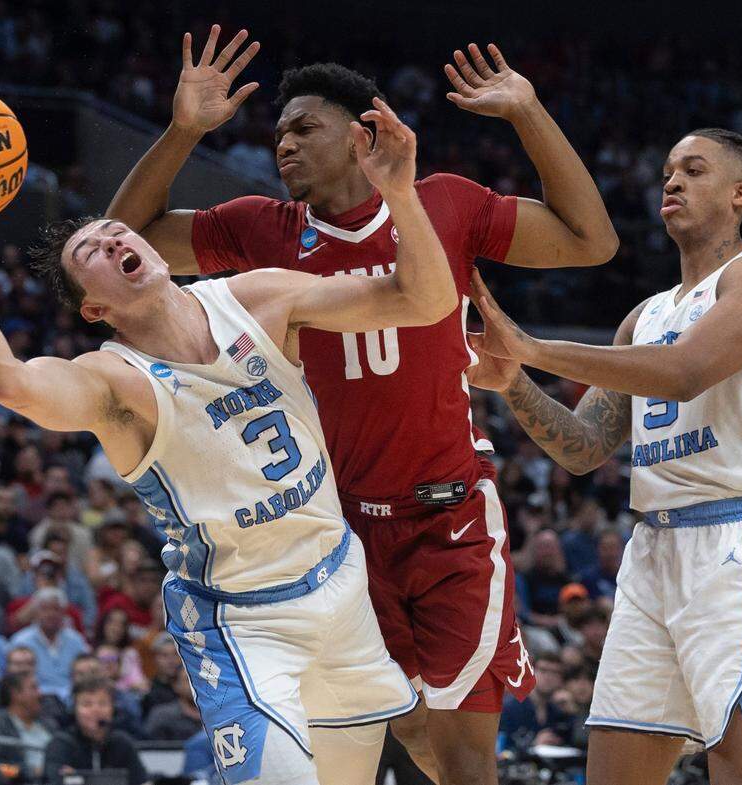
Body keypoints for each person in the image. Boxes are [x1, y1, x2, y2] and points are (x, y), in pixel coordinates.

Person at [107, 28, 618, 783]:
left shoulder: (445, 204)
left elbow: (591, 240)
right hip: (336, 530)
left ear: (364, 134)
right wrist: (184, 131)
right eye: (277, 133)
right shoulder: (261, 229)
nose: (284, 145)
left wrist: (527, 112)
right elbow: (125, 244)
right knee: (399, 729)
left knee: (468, 758)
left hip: (449, 518)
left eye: (304, 129)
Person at [0, 88, 441, 784]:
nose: (114, 236)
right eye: (91, 247)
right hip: (244, 623)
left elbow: (422, 299)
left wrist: (402, 191)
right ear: (95, 307)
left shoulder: (258, 297)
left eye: (116, 231)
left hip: (341, 584)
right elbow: (7, 380)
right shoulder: (115, 382)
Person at [467, 128, 742, 785]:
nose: (672, 182)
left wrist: (536, 349)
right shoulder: (645, 315)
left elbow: (686, 370)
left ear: (739, 194)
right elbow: (583, 447)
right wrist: (513, 382)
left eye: (693, 170)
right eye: (667, 171)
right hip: (654, 547)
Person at [42, 676, 147, 785]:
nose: (95, 710)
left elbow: (141, 781)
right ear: (74, 710)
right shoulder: (61, 745)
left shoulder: (122, 743)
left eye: (102, 703)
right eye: (87, 704)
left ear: (113, 709)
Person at [7, 588, 89, 702]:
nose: (51, 614)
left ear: (64, 613)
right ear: (36, 612)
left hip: (73, 701)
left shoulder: (76, 640)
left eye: (56, 609)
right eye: (45, 609)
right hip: (36, 701)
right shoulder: (21, 641)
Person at [0, 671, 56, 782]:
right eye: (34, 688)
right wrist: (31, 772)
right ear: (15, 694)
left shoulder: (49, 724)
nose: (40, 693)